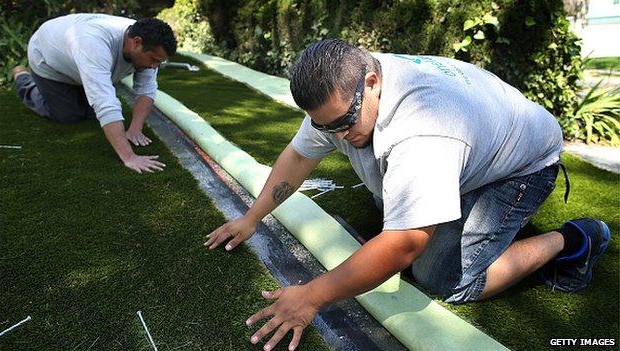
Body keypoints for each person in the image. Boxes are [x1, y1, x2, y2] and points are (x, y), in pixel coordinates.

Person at [205, 39, 611, 351]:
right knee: (391, 204)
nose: (339, 136)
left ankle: (575, 239)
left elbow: (403, 246)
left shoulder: (421, 129)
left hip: (523, 164)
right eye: (326, 126)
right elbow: (297, 157)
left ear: (372, 81)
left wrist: (310, 297)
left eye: (345, 122)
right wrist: (251, 217)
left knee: (444, 278)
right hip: (471, 140)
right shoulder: (343, 91)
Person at [12, 14, 177, 173]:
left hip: (82, 62)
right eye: (154, 60)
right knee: (68, 116)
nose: (154, 66)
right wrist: (129, 157)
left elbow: (147, 88)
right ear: (136, 43)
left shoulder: (146, 41)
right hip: (48, 61)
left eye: (159, 62)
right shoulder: (93, 43)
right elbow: (104, 103)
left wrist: (135, 128)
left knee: (92, 114)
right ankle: (24, 80)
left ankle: (76, 90)